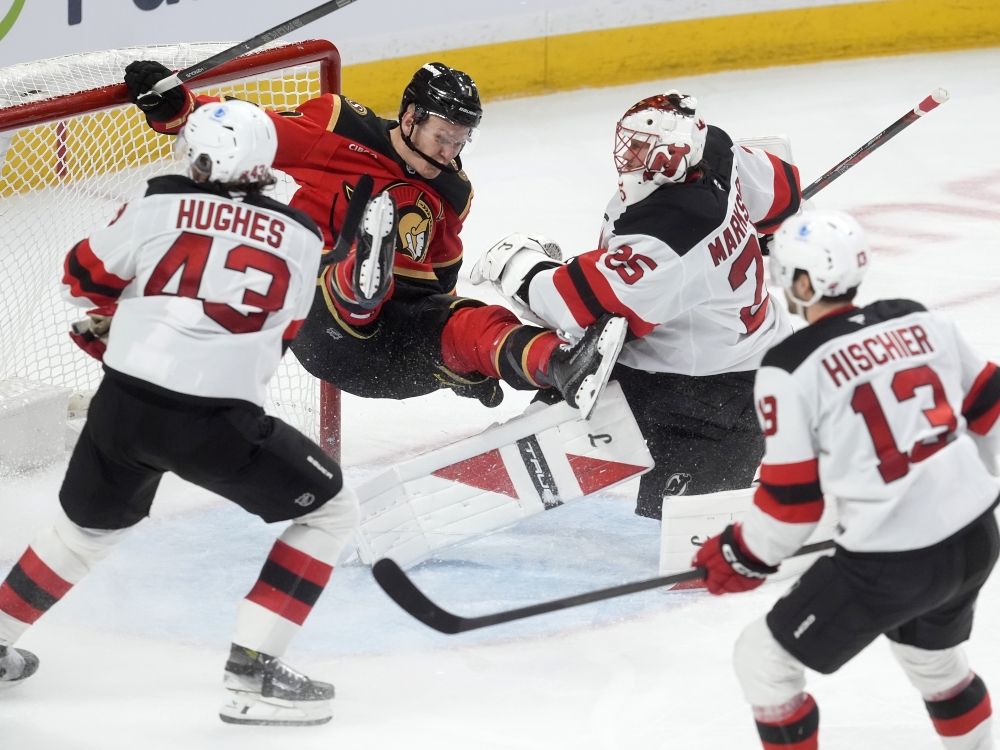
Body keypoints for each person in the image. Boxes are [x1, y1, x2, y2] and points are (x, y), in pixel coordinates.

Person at [0, 100, 366, 726]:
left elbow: (79, 281)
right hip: (217, 424)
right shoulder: (304, 240)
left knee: (83, 533)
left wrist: (125, 324)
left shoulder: (157, 203)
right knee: (331, 511)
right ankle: (253, 674)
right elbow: (276, 339)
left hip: (122, 407)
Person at [120, 60, 627, 422]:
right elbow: (246, 129)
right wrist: (179, 107)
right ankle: (363, 279)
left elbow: (442, 281)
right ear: (409, 118)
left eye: (460, 140)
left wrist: (466, 359)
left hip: (394, 358)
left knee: (469, 320)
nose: (449, 151)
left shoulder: (454, 192)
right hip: (326, 330)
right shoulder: (339, 128)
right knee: (347, 270)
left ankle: (559, 365)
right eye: (442, 136)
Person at [693, 209, 999, 749]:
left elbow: (792, 507)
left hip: (893, 563)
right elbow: (990, 406)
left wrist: (743, 554)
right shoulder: (918, 319)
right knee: (935, 663)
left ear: (805, 283)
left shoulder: (790, 366)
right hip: (976, 538)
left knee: (763, 662)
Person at [472, 90, 800, 518]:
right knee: (591, 365)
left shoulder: (670, 235)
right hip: (687, 363)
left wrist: (518, 264)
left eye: (643, 148)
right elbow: (783, 191)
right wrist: (764, 231)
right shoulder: (717, 151)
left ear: (673, 156)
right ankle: (555, 424)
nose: (629, 156)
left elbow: (574, 306)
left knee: (674, 533)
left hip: (720, 399)